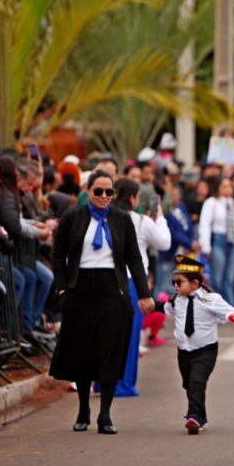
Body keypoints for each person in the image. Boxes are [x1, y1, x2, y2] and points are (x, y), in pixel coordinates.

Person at [49, 169, 155, 434]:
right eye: (99, 191)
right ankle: (83, 409)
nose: (104, 196)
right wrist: (62, 290)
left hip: (112, 290)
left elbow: (133, 257)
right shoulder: (73, 217)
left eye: (109, 192)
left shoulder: (121, 219)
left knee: (109, 351)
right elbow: (57, 254)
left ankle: (105, 415)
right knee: (83, 352)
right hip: (80, 289)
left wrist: (143, 293)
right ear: (88, 190)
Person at [163, 255, 234, 434]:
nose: (175, 285)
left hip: (205, 350)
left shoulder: (211, 299)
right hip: (183, 351)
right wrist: (149, 304)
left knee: (196, 382)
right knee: (188, 385)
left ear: (195, 282)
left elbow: (233, 315)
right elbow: (164, 308)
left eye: (179, 281)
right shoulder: (176, 299)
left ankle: (194, 417)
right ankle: (201, 415)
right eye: (173, 281)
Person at [108, 178, 170, 397]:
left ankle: (103, 381)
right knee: (130, 332)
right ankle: (123, 383)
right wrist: (160, 218)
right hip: (133, 279)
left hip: (108, 276)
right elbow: (164, 242)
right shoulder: (142, 221)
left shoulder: (107, 216)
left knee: (109, 332)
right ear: (134, 198)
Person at [198, 176, 234, 304]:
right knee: (217, 277)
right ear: (218, 188)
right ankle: (215, 304)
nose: (227, 189)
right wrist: (206, 246)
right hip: (219, 240)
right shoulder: (212, 202)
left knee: (230, 277)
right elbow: (205, 223)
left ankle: (230, 305)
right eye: (224, 186)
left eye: (229, 186)